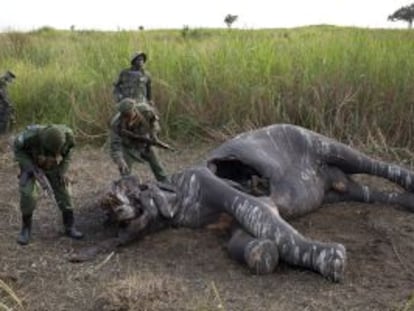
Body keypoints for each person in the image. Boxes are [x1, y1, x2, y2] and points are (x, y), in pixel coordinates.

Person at [13, 124, 84, 245]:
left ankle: (70, 226)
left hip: (52, 165)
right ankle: (26, 229)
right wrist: (29, 167)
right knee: (28, 194)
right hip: (31, 163)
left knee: (64, 190)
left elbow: (68, 153)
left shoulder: (67, 136)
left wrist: (62, 170)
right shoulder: (29, 136)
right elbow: (18, 150)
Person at [109, 98, 169, 182]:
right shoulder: (116, 123)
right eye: (124, 115)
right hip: (128, 147)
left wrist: (154, 135)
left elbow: (155, 123)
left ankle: (168, 186)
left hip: (145, 144)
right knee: (125, 171)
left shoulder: (146, 111)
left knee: (159, 168)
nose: (126, 118)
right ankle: (127, 189)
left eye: (128, 114)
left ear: (134, 110)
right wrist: (120, 160)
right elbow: (115, 146)